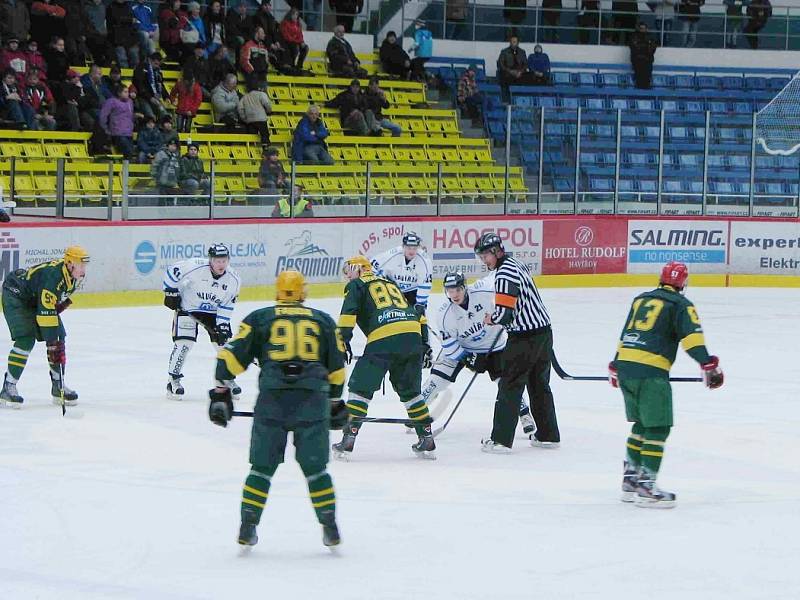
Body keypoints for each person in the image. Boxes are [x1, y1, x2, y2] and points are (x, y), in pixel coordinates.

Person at [208, 270, 345, 549]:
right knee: (316, 469)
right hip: (312, 401)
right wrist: (334, 401)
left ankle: (248, 526)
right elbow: (337, 368)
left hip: (273, 401)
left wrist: (221, 393)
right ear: (302, 292)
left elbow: (229, 359)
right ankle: (329, 526)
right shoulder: (322, 320)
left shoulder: (260, 318)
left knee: (261, 468)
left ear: (278, 291)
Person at [609, 261, 723, 508]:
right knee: (658, 428)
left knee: (641, 424)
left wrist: (616, 365)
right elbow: (692, 339)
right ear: (683, 282)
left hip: (626, 367)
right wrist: (708, 364)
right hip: (651, 372)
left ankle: (630, 481)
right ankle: (647, 486)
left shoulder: (640, 299)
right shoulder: (681, 304)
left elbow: (626, 333)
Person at [331, 256, 435, 459]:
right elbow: (418, 313)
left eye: (348, 271)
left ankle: (348, 438)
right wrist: (425, 345)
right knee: (411, 392)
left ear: (358, 269)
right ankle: (427, 438)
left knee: (360, 387)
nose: (347, 275)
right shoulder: (390, 284)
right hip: (412, 336)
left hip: (384, 336)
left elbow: (348, 315)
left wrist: (341, 342)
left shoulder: (356, 285)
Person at [474, 232, 560, 453]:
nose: (484, 260)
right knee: (539, 385)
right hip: (543, 333)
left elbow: (504, 315)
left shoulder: (504, 274)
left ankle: (501, 440)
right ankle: (548, 435)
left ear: (495, 251)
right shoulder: (516, 264)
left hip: (524, 338)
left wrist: (489, 318)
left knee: (509, 385)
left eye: (485, 255)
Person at [422, 272, 536, 435]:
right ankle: (417, 411)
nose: (454, 295)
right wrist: (467, 358)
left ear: (464, 287)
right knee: (438, 379)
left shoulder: (483, 290)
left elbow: (499, 275)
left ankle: (524, 414)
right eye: (449, 291)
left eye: (457, 290)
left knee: (506, 383)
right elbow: (449, 345)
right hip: (462, 348)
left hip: (494, 346)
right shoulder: (444, 314)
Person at [0, 246, 89, 408]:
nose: (83, 269)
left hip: (34, 300)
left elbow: (52, 305)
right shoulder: (53, 276)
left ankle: (58, 385)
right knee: (26, 339)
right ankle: (8, 386)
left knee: (59, 338)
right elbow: (46, 312)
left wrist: (55, 341)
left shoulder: (74, 278)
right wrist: (52, 340)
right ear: (69, 263)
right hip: (16, 295)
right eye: (80, 265)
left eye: (84, 265)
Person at [163, 243, 241, 400]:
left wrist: (223, 324)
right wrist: (170, 291)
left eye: (224, 260)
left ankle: (225, 379)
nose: (221, 264)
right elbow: (172, 270)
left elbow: (227, 304)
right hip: (188, 308)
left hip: (212, 313)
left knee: (222, 345)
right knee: (184, 344)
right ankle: (173, 381)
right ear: (210, 260)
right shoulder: (194, 266)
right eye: (217, 261)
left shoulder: (234, 279)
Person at [369, 231, 432, 313]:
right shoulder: (392, 255)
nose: (412, 251)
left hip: (412, 290)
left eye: (414, 248)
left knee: (418, 319)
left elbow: (425, 284)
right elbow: (372, 265)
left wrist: (420, 304)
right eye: (409, 248)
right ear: (403, 246)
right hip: (392, 289)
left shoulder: (425, 261)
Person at [99, 84, 135, 158]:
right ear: (119, 93)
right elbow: (103, 116)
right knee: (128, 153)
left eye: (127, 92)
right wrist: (105, 129)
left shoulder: (130, 102)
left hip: (129, 133)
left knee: (130, 153)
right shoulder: (111, 102)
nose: (127, 94)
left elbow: (131, 116)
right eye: (125, 92)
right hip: (117, 133)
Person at [133, 51, 169, 121]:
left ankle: (159, 130)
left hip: (155, 99)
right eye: (155, 63)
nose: (157, 66)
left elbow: (160, 85)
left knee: (165, 115)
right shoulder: (141, 68)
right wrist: (150, 97)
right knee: (151, 116)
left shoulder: (158, 72)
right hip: (142, 98)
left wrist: (166, 96)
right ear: (150, 60)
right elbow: (139, 85)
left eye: (158, 64)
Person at [107, 0, 140, 68]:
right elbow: (116, 19)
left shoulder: (128, 6)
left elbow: (134, 21)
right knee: (122, 59)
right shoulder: (110, 7)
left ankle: (136, 76)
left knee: (135, 58)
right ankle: (125, 78)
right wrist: (130, 20)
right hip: (116, 39)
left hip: (130, 39)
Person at [237, 79, 272, 144]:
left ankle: (251, 148)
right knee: (265, 134)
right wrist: (269, 111)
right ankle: (266, 147)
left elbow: (240, 108)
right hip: (261, 119)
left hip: (250, 120)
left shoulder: (245, 97)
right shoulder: (261, 94)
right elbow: (266, 103)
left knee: (252, 136)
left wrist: (244, 118)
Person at [497, 35, 527, 102]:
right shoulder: (504, 52)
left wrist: (520, 72)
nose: (513, 43)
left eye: (514, 42)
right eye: (512, 42)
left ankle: (522, 100)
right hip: (508, 72)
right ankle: (506, 101)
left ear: (518, 43)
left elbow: (525, 64)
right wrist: (510, 71)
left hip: (519, 73)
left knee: (529, 77)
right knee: (503, 77)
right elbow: (500, 64)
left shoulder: (522, 52)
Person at [150, 137, 181, 202]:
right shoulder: (161, 154)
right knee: (162, 202)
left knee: (170, 203)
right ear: (167, 146)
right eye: (171, 145)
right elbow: (154, 166)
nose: (173, 147)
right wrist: (155, 177)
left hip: (172, 183)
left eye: (174, 146)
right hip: (161, 183)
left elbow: (177, 169)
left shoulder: (176, 156)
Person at [630, 22, 657, 90]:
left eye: (644, 28)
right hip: (637, 60)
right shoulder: (634, 36)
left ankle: (646, 94)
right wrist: (645, 46)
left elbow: (652, 48)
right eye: (641, 28)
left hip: (647, 60)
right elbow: (634, 47)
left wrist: (644, 47)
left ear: (647, 29)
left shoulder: (650, 36)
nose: (643, 30)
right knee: (639, 77)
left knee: (647, 77)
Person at [85, 0, 111, 65]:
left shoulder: (105, 6)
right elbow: (85, 22)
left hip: (104, 35)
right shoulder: (86, 7)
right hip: (91, 35)